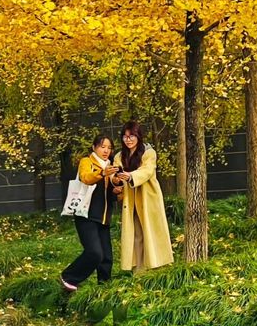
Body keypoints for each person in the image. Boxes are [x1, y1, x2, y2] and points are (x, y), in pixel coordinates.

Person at [60, 134, 122, 291]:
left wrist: (117, 190)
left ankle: (104, 290)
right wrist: (102, 173)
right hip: (86, 215)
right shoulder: (87, 162)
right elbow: (86, 178)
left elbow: (110, 196)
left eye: (109, 148)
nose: (106, 150)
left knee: (107, 258)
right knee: (95, 253)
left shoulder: (112, 166)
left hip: (103, 217)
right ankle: (68, 277)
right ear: (94, 147)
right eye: (102, 147)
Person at [113, 120, 174, 272]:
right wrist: (116, 180)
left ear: (138, 136)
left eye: (132, 135)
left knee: (152, 231)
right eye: (125, 136)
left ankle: (158, 267)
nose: (128, 139)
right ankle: (139, 271)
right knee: (136, 234)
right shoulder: (120, 156)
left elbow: (147, 171)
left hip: (148, 198)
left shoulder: (149, 152)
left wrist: (130, 176)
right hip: (130, 200)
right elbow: (114, 175)